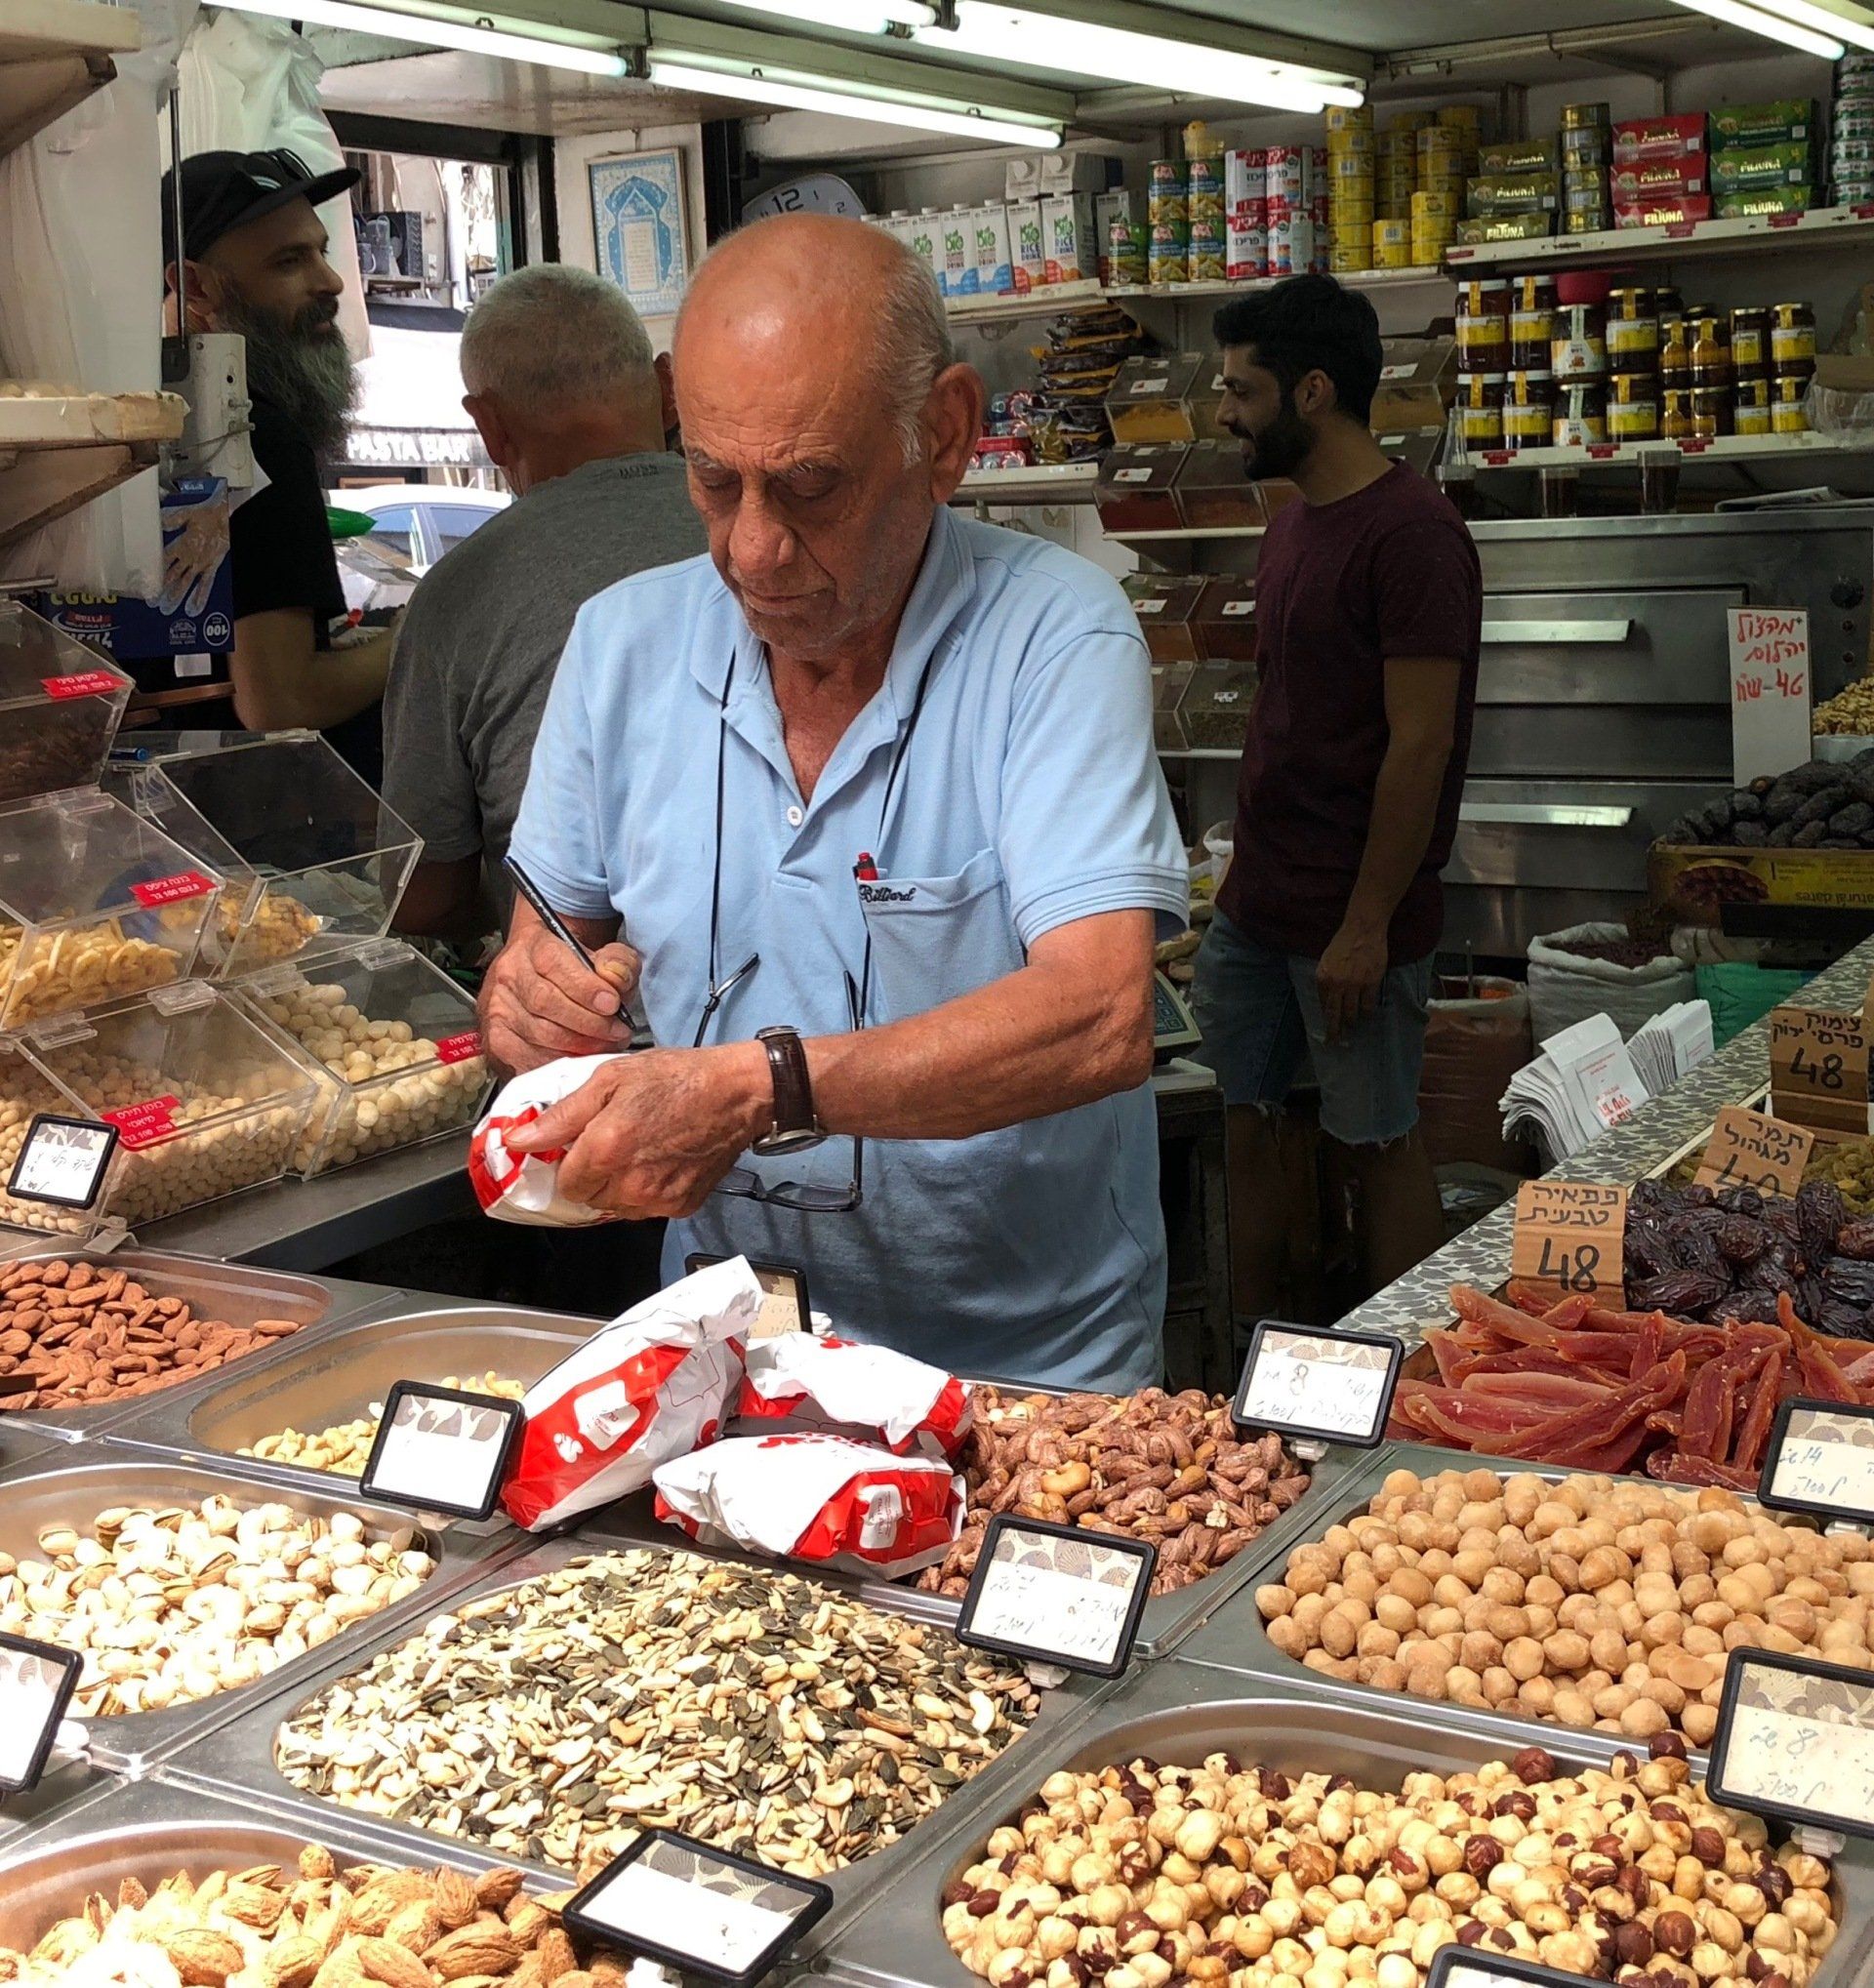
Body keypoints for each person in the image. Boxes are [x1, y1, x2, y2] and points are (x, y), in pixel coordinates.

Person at [479, 213, 1189, 1391]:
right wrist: (536, 1013)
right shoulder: (622, 645)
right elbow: (542, 960)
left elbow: (1100, 1016)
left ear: (945, 435)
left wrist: (755, 1089)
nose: (753, 550)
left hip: (1021, 1367)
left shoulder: (1054, 633)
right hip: (727, 1354)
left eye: (810, 487)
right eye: (713, 481)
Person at [1190, 272, 1481, 1311]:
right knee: (1250, 1122)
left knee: (1378, 1143)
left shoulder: (1411, 535)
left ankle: (1406, 1387)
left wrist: (1365, 925)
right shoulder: (1291, 526)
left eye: (1242, 391)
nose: (1225, 413)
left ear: (1313, 393)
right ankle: (1256, 1376)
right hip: (1259, 907)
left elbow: (1421, 746)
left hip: (1354, 918)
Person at [383, 264, 704, 943]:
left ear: (489, 427)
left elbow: (420, 898)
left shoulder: (459, 593)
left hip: (585, 1011)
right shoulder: (760, 536)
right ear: (669, 389)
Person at [161, 148, 389, 779]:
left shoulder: (152, 425)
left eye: (320, 250)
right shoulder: (254, 433)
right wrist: (419, 636)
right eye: (290, 261)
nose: (331, 281)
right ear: (198, 287)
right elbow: (278, 698)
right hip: (250, 826)